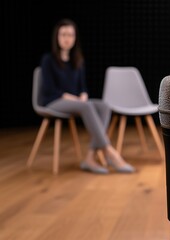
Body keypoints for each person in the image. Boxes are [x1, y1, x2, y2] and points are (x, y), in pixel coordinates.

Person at [40, 18, 135, 174]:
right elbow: (49, 90)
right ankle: (110, 151)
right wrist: (75, 99)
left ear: (75, 38)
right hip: (53, 101)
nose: (66, 38)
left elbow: (82, 87)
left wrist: (83, 95)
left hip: (76, 101)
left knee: (104, 106)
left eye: (70, 35)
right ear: (57, 37)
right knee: (87, 106)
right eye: (63, 34)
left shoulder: (78, 60)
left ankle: (90, 157)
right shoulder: (48, 60)